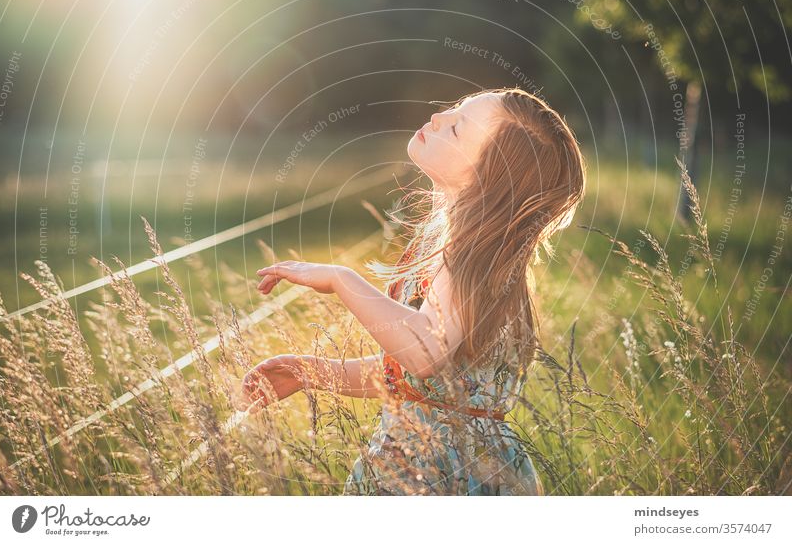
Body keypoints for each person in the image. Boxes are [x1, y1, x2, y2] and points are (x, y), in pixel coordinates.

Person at [238, 86, 587, 495]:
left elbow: (424, 352)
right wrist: (309, 371)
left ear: (486, 179)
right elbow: (423, 381)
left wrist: (341, 279)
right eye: (454, 108)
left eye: (456, 129)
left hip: (441, 472)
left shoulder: (471, 257)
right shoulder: (463, 251)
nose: (440, 117)